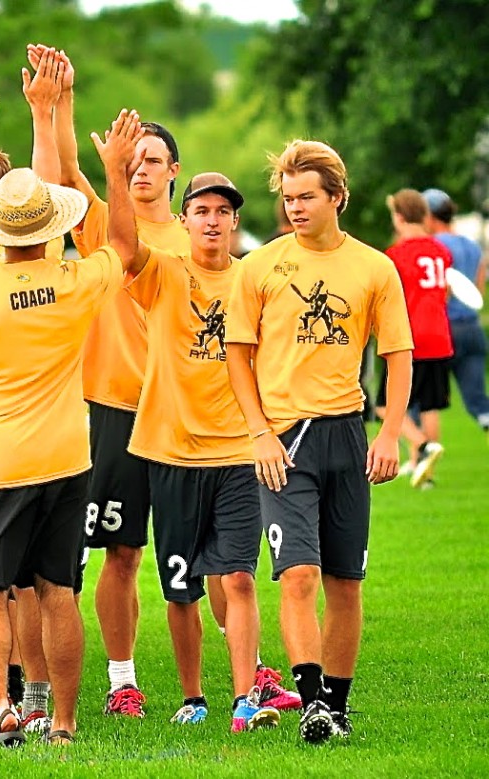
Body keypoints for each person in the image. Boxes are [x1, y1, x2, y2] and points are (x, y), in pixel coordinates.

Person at [0, 107, 145, 748]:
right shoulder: (74, 281)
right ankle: (66, 723)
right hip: (68, 457)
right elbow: (125, 250)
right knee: (57, 592)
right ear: (51, 227)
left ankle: (0, 710)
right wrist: (116, 175)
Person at [225, 139, 414, 743]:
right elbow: (236, 354)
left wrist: (388, 434)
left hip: (347, 437)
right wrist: (258, 433)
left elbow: (398, 356)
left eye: (307, 197)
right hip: (286, 441)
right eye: (288, 198)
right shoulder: (259, 267)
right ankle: (311, 703)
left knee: (346, 582)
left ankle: (337, 701)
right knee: (298, 575)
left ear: (338, 197)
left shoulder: (375, 268)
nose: (296, 207)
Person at [46, 43, 191, 718]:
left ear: (173, 172)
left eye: (152, 160)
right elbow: (68, 172)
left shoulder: (201, 238)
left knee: (209, 556)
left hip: (188, 413)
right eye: (131, 161)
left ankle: (250, 669)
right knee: (123, 552)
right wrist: (63, 98)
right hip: (114, 409)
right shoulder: (104, 223)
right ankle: (121, 678)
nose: (139, 170)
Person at [122, 172, 280, 732]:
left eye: (223, 211)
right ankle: (193, 696)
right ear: (184, 219)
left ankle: (245, 699)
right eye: (202, 210)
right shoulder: (164, 270)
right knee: (181, 588)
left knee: (238, 577)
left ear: (236, 221)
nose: (212, 220)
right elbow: (121, 243)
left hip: (239, 452)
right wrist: (119, 177)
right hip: (171, 451)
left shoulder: (255, 279)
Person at [377, 189, 452, 488]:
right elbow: (444, 292)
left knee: (383, 404)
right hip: (440, 334)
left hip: (411, 336)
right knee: (430, 405)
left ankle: (422, 446)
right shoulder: (440, 251)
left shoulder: (396, 255)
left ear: (399, 216)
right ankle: (426, 475)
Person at [423, 187, 489, 431]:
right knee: (478, 402)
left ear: (429, 216)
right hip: (472, 329)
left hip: (444, 331)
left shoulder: (432, 247)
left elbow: (439, 292)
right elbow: (477, 290)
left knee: (422, 396)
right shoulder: (472, 246)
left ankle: (423, 452)